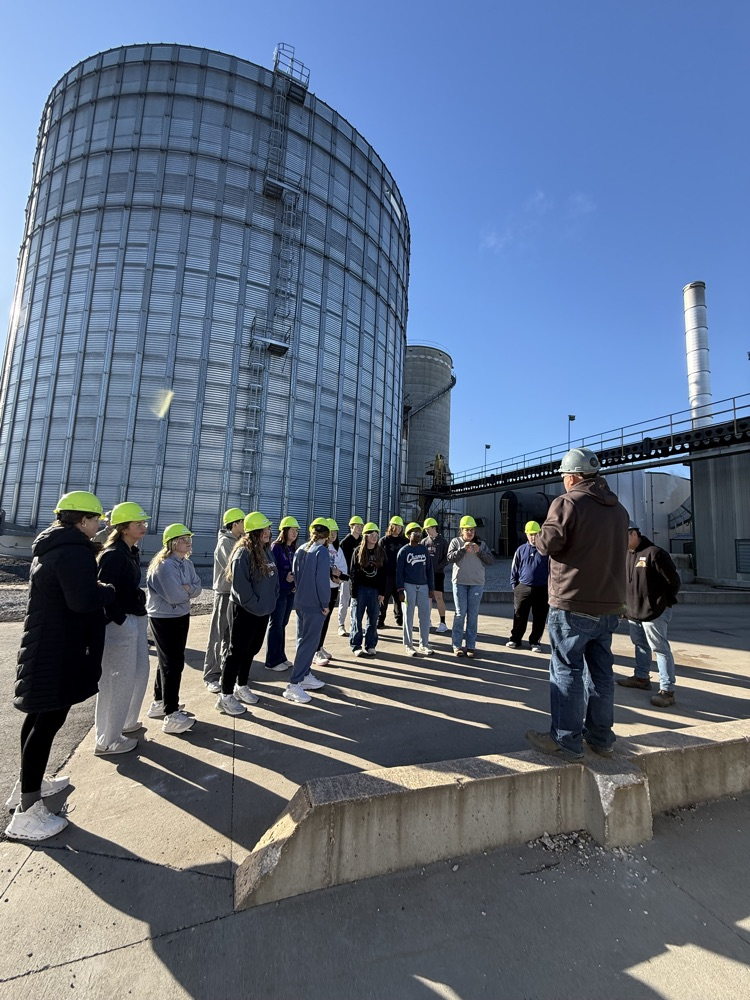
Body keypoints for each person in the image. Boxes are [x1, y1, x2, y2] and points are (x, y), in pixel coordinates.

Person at [6, 491, 115, 842]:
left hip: (47, 645)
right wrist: (106, 590)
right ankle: (27, 813)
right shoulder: (73, 552)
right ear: (82, 521)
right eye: (96, 519)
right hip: (59, 649)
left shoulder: (54, 546)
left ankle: (27, 786)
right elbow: (82, 600)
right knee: (48, 720)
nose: (100, 524)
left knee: (39, 718)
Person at [525, 447, 628, 762]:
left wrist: (538, 537)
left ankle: (565, 741)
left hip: (573, 602)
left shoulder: (567, 503)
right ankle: (600, 739)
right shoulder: (619, 510)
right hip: (610, 605)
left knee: (566, 669)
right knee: (601, 673)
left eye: (564, 478)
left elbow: (549, 543)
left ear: (571, 477)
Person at [94, 501, 151, 756]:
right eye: (138, 523)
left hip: (134, 618)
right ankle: (107, 739)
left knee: (138, 673)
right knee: (116, 680)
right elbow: (103, 594)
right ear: (124, 527)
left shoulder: (131, 551)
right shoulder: (113, 554)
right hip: (120, 624)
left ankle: (125, 722)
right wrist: (121, 620)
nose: (144, 526)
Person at [216, 512, 279, 716]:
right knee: (236, 652)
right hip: (245, 612)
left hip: (262, 611)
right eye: (265, 529)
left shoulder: (265, 550)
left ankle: (241, 685)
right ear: (254, 532)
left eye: (269, 529)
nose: (269, 532)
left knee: (252, 649)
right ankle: (225, 696)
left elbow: (273, 577)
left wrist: (272, 599)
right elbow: (242, 589)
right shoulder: (243, 553)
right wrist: (258, 605)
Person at [617, 521, 681, 708]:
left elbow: (674, 582)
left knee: (660, 649)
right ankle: (641, 677)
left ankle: (667, 690)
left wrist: (662, 603)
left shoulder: (655, 553)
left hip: (655, 612)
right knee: (640, 645)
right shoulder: (627, 556)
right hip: (633, 612)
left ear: (634, 533)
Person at [146, 524, 202, 735]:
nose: (188, 542)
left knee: (168, 661)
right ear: (172, 543)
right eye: (183, 539)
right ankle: (171, 714)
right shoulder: (165, 566)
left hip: (179, 615)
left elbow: (196, 587)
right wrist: (187, 590)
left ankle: (160, 702)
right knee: (172, 664)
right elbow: (175, 596)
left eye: (189, 538)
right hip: (164, 618)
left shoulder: (185, 564)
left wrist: (187, 589)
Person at [285, 519, 331, 703]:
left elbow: (295, 574)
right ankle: (294, 684)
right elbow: (322, 581)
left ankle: (304, 675)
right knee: (309, 643)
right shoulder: (321, 552)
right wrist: (325, 603)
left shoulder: (301, 549)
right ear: (326, 537)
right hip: (314, 604)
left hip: (301, 602)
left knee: (302, 640)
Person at [203, 507, 246, 694]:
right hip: (224, 594)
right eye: (243, 522)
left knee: (231, 637)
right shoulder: (225, 543)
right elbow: (232, 568)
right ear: (234, 524)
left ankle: (225, 670)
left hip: (235, 594)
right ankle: (211, 675)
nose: (245, 525)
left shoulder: (238, 541)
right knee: (218, 634)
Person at [447, 515, 494, 658]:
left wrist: (479, 551)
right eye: (467, 530)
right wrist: (462, 549)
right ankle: (457, 645)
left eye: (472, 530)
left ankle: (471, 645)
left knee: (472, 615)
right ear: (461, 530)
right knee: (460, 614)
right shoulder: (455, 542)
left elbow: (490, 561)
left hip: (476, 584)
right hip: (460, 583)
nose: (470, 532)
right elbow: (449, 558)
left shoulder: (481, 544)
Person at [506, 520, 549, 653]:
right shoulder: (521, 550)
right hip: (523, 587)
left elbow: (552, 569)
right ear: (526, 534)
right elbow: (514, 568)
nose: (533, 537)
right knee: (519, 614)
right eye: (530, 534)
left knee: (540, 616)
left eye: (536, 534)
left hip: (542, 588)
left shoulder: (546, 551)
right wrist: (515, 585)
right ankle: (515, 639)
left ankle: (535, 641)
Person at [265, 516, 299, 672]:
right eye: (292, 530)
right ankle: (271, 660)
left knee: (283, 625)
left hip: (289, 591)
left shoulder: (292, 549)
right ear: (284, 531)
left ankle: (281, 656)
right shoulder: (276, 547)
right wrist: (284, 578)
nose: (295, 533)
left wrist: (294, 583)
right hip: (279, 592)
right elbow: (271, 569)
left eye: (297, 530)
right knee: (276, 625)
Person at [313, 518, 347, 666]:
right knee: (318, 620)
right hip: (321, 590)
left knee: (326, 621)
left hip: (333, 589)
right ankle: (315, 651)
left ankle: (319, 646)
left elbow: (344, 570)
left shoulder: (337, 549)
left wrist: (339, 576)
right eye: (331, 532)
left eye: (335, 532)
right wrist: (330, 572)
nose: (333, 535)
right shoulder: (320, 548)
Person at [397, 522, 435, 656]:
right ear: (408, 535)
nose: (418, 535)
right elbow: (399, 572)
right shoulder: (404, 551)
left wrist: (431, 587)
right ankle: (408, 645)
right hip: (408, 586)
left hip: (423, 586)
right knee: (408, 615)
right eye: (415, 532)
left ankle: (424, 644)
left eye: (419, 533)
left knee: (425, 615)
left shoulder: (424, 550)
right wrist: (400, 590)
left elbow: (430, 569)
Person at [349, 523, 386, 657]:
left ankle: (370, 645)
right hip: (360, 590)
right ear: (366, 536)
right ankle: (356, 645)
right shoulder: (358, 551)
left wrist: (382, 592)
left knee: (373, 618)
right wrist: (354, 593)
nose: (374, 537)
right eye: (371, 534)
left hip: (375, 590)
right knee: (356, 618)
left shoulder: (381, 552)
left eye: (376, 535)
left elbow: (384, 574)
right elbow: (353, 573)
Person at [378, 516, 407, 627]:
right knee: (383, 598)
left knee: (399, 597)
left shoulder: (404, 541)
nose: (399, 529)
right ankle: (380, 619)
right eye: (397, 526)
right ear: (391, 526)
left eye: (400, 527)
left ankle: (400, 619)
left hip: (399, 574)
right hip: (386, 575)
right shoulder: (384, 541)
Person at [337, 516, 364, 636]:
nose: (359, 528)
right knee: (344, 600)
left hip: (359, 578)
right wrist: (343, 576)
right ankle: (341, 625)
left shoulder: (363, 541)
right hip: (347, 577)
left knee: (357, 602)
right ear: (351, 527)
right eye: (357, 526)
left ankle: (356, 625)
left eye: (361, 526)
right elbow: (340, 561)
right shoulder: (344, 543)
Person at [423, 518, 449, 633]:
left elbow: (447, 558)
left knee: (439, 597)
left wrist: (439, 566)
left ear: (434, 528)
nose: (427, 531)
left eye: (429, 529)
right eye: (426, 530)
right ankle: (427, 620)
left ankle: (443, 622)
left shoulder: (442, 541)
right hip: (426, 574)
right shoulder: (424, 542)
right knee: (427, 597)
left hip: (438, 573)